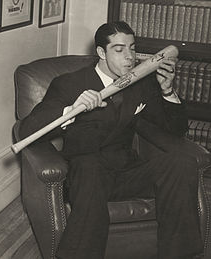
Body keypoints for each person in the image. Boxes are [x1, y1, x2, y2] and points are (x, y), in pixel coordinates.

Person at [19, 21, 203, 259]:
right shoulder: (70, 83)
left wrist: (168, 91)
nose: (129, 57)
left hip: (126, 171)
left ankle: (180, 254)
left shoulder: (141, 83)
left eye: (132, 48)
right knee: (89, 167)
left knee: (182, 163)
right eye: (119, 50)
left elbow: (175, 130)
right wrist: (71, 110)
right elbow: (27, 130)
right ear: (101, 53)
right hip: (86, 175)